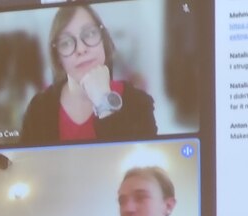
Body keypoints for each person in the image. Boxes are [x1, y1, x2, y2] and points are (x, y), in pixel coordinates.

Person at [19, 3, 158, 145]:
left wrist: (104, 103)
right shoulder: (39, 109)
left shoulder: (138, 103)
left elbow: (131, 164)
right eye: (66, 43)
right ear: (58, 57)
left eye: (90, 34)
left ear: (103, 40)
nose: (81, 49)